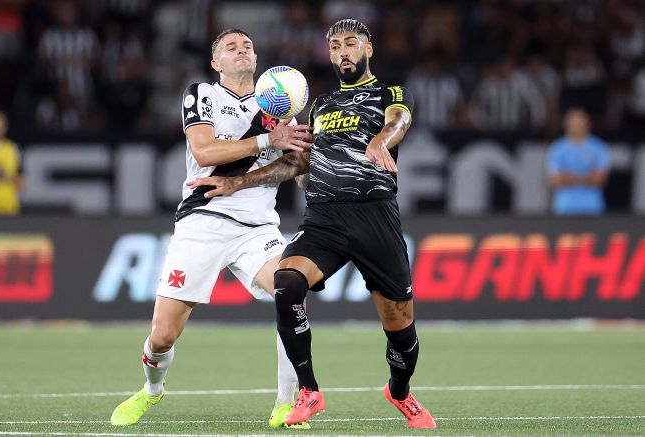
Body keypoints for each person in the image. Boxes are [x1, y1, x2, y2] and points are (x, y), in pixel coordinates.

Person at [188, 19, 436, 429]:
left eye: (351, 43)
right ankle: (308, 391)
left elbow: (398, 122)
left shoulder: (391, 94)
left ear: (368, 49)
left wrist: (380, 140)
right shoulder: (322, 106)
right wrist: (237, 181)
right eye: (335, 45)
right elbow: (298, 163)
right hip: (324, 218)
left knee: (400, 327)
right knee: (286, 283)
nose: (342, 51)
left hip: (375, 216)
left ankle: (400, 390)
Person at [109, 28, 314, 429]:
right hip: (203, 221)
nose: (242, 51)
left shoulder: (281, 109)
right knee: (163, 335)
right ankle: (152, 390)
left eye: (248, 46)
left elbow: (294, 166)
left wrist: (302, 165)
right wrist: (266, 140)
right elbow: (204, 150)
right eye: (231, 48)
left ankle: (286, 405)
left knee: (292, 291)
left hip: (257, 227)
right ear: (216, 63)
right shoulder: (202, 94)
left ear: (256, 59)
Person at [547, 108, 609, 215]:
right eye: (574, 123)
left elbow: (600, 179)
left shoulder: (599, 147)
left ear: (587, 125)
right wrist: (586, 178)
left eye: (580, 123)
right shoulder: (557, 148)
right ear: (566, 125)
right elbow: (555, 180)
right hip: (564, 206)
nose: (577, 126)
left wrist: (569, 177)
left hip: (592, 206)